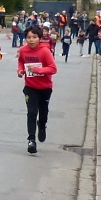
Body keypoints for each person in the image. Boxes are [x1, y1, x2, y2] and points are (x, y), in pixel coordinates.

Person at [18, 25, 58, 155]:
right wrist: (20, 70)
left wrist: (38, 70)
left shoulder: (45, 51)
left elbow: (53, 68)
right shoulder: (23, 50)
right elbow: (21, 62)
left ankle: (42, 125)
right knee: (31, 112)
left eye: (34, 37)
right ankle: (31, 140)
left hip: (45, 87)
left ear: (40, 38)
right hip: (30, 87)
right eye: (28, 37)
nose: (31, 40)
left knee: (43, 112)